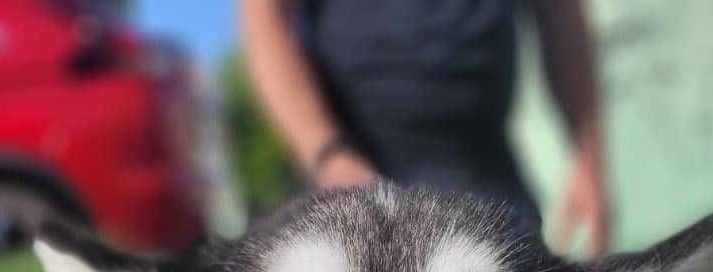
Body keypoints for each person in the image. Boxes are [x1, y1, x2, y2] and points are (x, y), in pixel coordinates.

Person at [239, 0, 610, 251]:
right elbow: (264, 19)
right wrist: (329, 157)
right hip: (354, 193)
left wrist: (588, 161)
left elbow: (560, 16)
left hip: (492, 188)